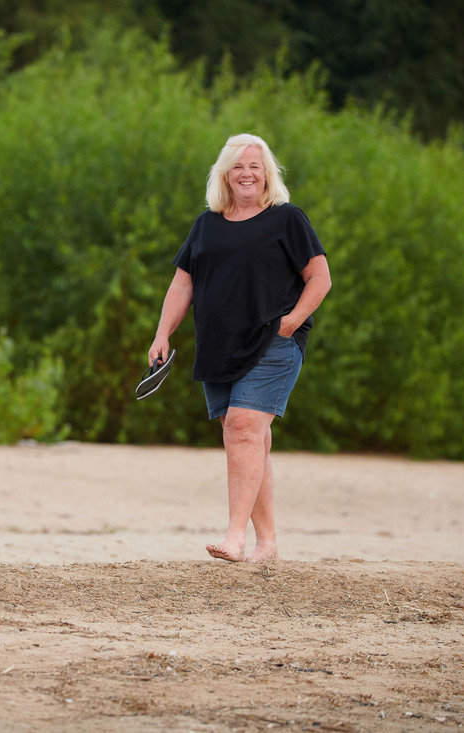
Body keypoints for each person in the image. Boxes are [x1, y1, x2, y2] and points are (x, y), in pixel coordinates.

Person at [147, 133, 331, 563]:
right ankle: (267, 544)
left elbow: (319, 277)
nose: (247, 173)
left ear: (267, 173)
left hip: (274, 341)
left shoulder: (287, 219)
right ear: (224, 174)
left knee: (243, 427)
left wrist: (290, 322)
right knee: (252, 439)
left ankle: (235, 536)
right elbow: (182, 283)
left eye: (255, 166)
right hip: (219, 345)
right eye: (238, 166)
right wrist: (162, 334)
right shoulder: (205, 224)